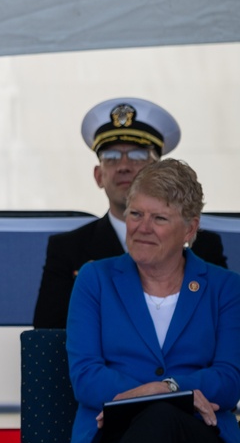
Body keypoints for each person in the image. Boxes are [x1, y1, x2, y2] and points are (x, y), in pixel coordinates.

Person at [66, 159, 240, 443]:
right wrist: (157, 392)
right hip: (111, 439)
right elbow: (86, 377)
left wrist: (169, 389)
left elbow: (229, 380)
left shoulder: (225, 288)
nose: (142, 227)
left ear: (189, 229)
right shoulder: (95, 280)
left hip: (198, 437)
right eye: (135, 214)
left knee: (161, 419)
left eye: (159, 218)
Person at [33, 97, 226, 328]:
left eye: (137, 155)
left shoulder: (204, 246)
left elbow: (221, 330)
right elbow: (49, 337)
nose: (124, 166)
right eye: (111, 157)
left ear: (159, 172)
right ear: (98, 175)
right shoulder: (67, 249)